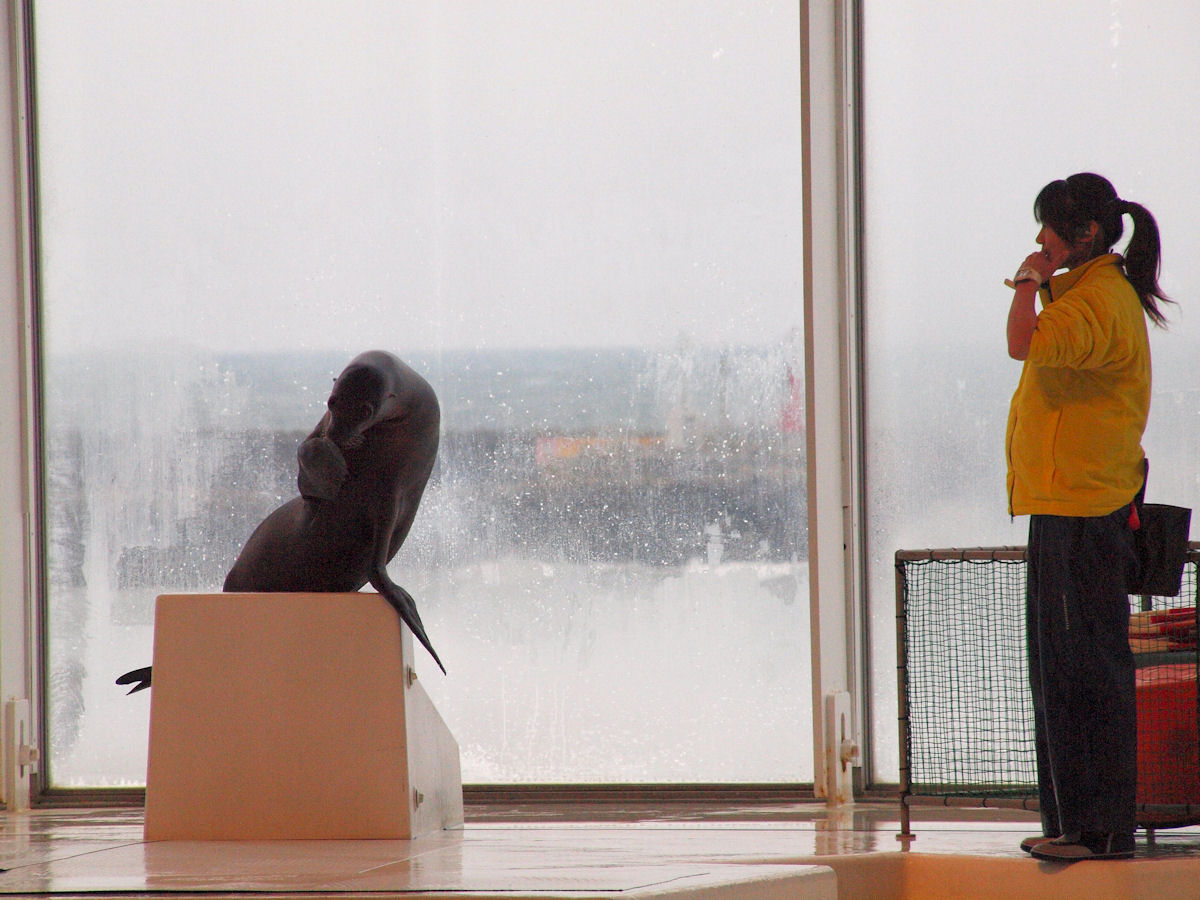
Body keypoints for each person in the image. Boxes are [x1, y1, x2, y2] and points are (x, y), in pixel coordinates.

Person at [1004, 172, 1173, 862]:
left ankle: (1097, 828)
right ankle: (1075, 825)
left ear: (1086, 234)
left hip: (1082, 509)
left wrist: (1026, 282)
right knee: (1065, 670)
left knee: (1082, 671)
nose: (1039, 237)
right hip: (1070, 504)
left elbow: (1022, 341)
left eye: (1049, 225)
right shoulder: (1094, 294)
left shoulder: (1099, 300)